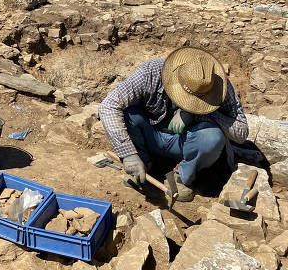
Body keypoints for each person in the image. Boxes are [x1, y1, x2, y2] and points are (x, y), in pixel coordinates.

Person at [98, 47, 248, 202]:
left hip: (185, 144)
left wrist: (201, 110)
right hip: (151, 134)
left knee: (212, 137)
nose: (189, 103)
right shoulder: (150, 73)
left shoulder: (217, 85)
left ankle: (182, 175)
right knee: (129, 114)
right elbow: (108, 106)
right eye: (186, 98)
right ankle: (142, 162)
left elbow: (241, 133)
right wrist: (128, 154)